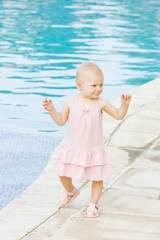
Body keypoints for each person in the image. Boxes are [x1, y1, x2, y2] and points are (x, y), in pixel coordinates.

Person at [43, 62, 132, 218]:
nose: (99, 89)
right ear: (80, 85)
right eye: (94, 85)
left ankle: (93, 204)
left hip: (93, 150)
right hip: (73, 148)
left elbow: (118, 115)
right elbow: (61, 120)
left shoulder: (101, 103)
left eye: (101, 85)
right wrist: (52, 111)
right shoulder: (70, 102)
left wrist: (124, 105)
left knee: (97, 177)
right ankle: (71, 192)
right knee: (62, 173)